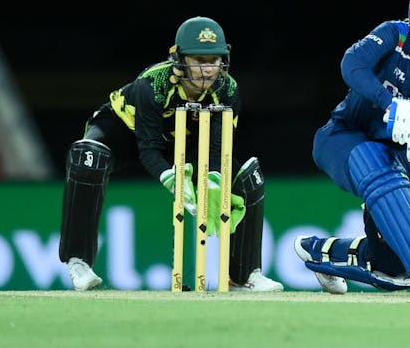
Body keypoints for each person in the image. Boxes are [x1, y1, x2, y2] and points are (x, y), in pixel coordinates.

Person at [59, 16, 283, 292]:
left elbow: (215, 148)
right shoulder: (153, 85)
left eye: (213, 60)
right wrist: (174, 181)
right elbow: (148, 148)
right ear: (180, 59)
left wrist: (213, 180)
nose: (206, 69)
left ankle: (244, 275)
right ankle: (78, 261)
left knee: (247, 179)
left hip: (185, 137)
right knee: (88, 159)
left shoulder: (228, 91)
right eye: (198, 59)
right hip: (125, 130)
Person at [294, 0, 410, 297]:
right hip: (342, 137)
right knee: (371, 157)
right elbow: (351, 65)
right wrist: (390, 104)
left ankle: (322, 251)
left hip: (394, 159)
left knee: (390, 270)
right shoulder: (394, 34)